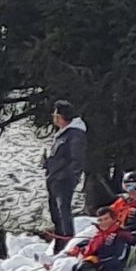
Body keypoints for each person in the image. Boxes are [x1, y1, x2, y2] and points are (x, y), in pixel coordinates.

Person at [42, 100, 85, 248]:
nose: (53, 117)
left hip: (63, 180)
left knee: (63, 212)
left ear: (61, 117)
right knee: (56, 213)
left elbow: (76, 160)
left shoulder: (75, 135)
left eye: (55, 114)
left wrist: (63, 175)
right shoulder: (62, 134)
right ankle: (59, 242)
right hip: (54, 178)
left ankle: (68, 242)